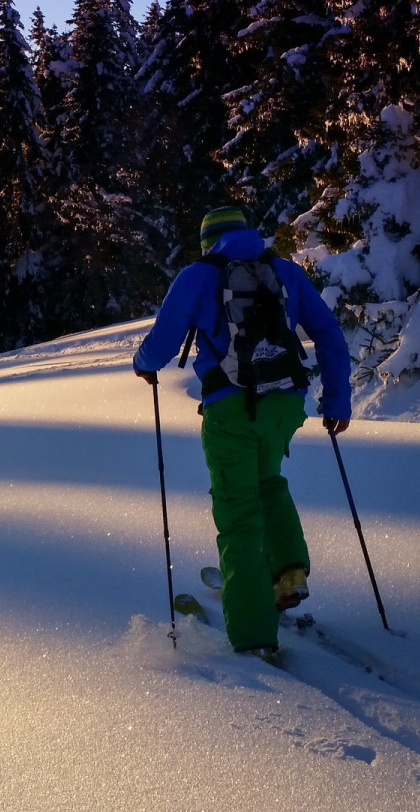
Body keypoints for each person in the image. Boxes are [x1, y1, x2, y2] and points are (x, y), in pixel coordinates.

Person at [132, 206, 351, 659]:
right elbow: (329, 335)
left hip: (231, 407)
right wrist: (337, 402)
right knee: (268, 482)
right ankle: (289, 571)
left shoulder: (198, 274)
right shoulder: (285, 271)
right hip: (285, 405)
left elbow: (162, 343)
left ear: (209, 240)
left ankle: (253, 635)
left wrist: (142, 364)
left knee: (237, 514)